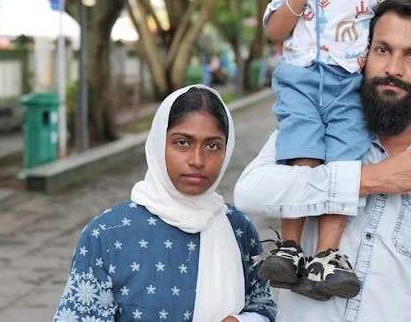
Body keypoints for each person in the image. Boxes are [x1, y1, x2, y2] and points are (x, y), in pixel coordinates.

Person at [236, 0, 411, 320]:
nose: (393, 69)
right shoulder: (313, 131)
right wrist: (368, 179)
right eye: (383, 50)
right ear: (363, 56)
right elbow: (249, 193)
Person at [257, 0, 389, 300]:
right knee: (303, 157)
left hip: (350, 85)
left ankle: (327, 255)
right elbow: (274, 32)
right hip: (300, 80)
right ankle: (291, 248)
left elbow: (384, 39)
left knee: (343, 164)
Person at [53, 85, 276, 322]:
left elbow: (263, 306)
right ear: (159, 143)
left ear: (226, 149)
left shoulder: (238, 228)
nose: (197, 160)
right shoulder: (108, 234)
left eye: (212, 146)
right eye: (182, 143)